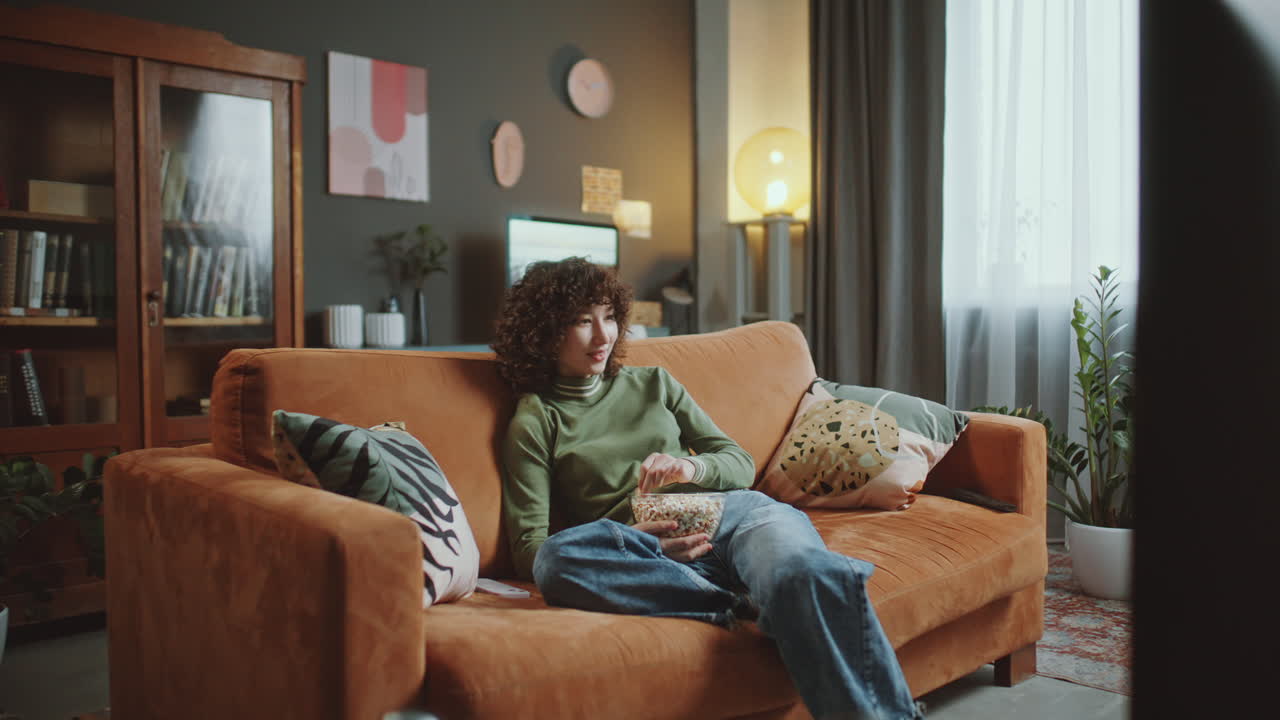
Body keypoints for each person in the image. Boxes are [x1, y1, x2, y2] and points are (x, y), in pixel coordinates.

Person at [493, 257, 923, 720]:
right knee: (556, 562)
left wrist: (687, 468)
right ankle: (750, 602)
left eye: (609, 317)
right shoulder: (536, 419)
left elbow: (738, 463)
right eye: (582, 321)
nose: (604, 336)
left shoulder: (653, 383)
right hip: (647, 556)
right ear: (544, 332)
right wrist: (642, 544)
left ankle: (783, 596)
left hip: (735, 517)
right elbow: (530, 549)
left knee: (804, 572)